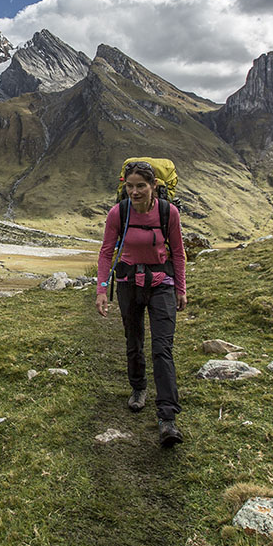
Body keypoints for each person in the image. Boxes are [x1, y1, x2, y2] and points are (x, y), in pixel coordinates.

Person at [95, 160, 187, 447]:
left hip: (162, 284)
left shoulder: (167, 212)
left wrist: (181, 288)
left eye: (140, 186)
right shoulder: (117, 213)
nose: (134, 192)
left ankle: (167, 418)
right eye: (129, 186)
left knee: (163, 348)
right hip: (127, 284)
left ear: (154, 186)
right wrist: (101, 289)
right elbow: (106, 253)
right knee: (133, 340)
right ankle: (138, 388)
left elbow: (179, 254)